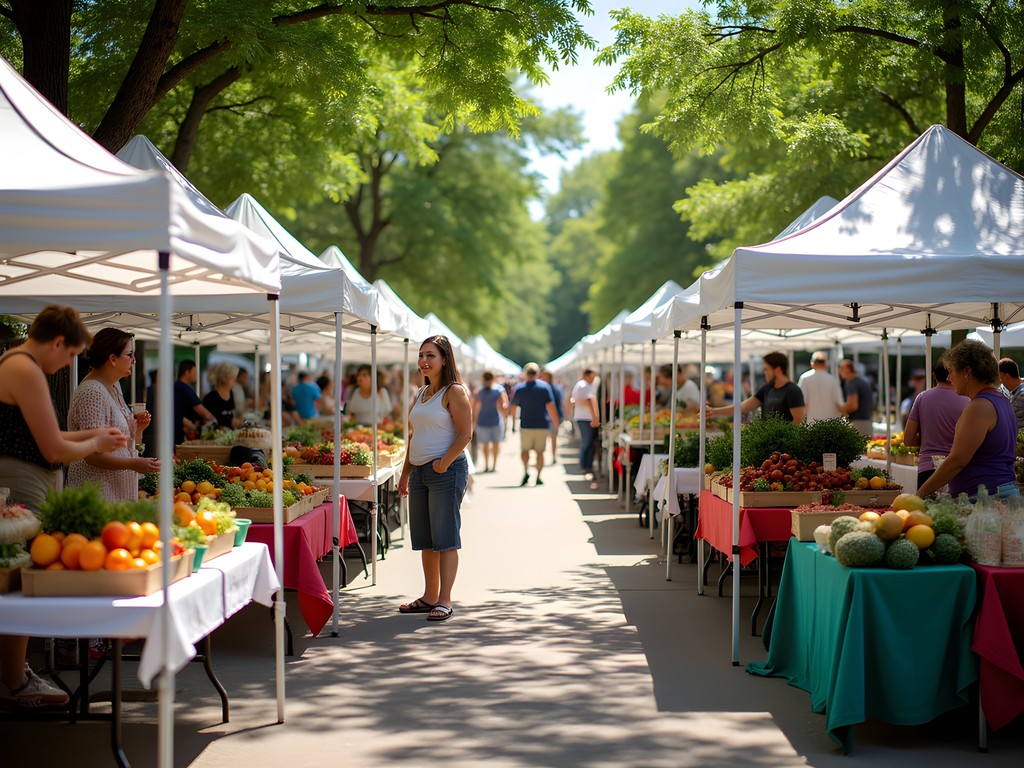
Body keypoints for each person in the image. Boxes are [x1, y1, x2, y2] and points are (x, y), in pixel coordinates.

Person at [0, 306, 127, 710]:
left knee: (18, 579)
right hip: (24, 480)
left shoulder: (15, 363)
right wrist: (95, 444)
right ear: (57, 342)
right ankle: (15, 681)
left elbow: (48, 434)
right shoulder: (24, 368)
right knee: (21, 582)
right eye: (70, 354)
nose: (70, 364)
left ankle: (14, 675)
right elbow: (53, 447)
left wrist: (93, 433)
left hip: (25, 476)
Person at [397, 336, 472, 623]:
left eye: (431, 355)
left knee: (445, 539)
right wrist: (405, 473)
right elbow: (414, 435)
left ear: (444, 360)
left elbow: (465, 434)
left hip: (446, 472)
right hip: (419, 473)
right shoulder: (421, 393)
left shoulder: (455, 392)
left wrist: (443, 462)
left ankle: (445, 600)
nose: (424, 360)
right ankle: (429, 596)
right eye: (421, 355)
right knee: (425, 539)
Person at [66, 328, 160, 502]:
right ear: (113, 359)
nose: (134, 360)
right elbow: (92, 455)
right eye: (130, 354)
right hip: (96, 495)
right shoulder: (92, 392)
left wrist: (138, 429)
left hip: (114, 494)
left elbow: (123, 445)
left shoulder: (113, 386)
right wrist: (133, 464)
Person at [918, 340, 1019, 500]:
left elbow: (957, 460)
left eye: (951, 371)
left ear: (966, 371)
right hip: (999, 494)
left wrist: (920, 493)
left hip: (986, 499)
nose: (949, 378)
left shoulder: (979, 406)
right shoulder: (1001, 400)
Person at [903, 362, 969, 486]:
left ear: (934, 375)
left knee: (925, 505)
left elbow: (908, 439)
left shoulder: (922, 398)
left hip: (928, 467)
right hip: (957, 467)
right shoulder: (968, 400)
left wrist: (929, 440)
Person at [706, 351, 806, 423]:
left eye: (766, 369)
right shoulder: (767, 389)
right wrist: (714, 411)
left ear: (778, 370)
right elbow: (742, 407)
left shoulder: (793, 390)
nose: (764, 373)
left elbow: (799, 421)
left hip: (783, 448)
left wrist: (783, 439)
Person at [508, 363, 559, 486]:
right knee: (540, 452)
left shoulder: (519, 388)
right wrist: (556, 423)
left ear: (525, 373)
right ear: (537, 374)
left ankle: (526, 470)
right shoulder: (545, 387)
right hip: (542, 424)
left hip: (526, 424)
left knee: (525, 450)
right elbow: (551, 406)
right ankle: (538, 476)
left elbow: (513, 409)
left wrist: (513, 424)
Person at [472, 370, 508, 473]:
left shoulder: (479, 391)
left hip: (484, 420)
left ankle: (488, 465)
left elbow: (474, 408)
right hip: (494, 420)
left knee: (486, 444)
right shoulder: (499, 390)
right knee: (494, 444)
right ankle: (493, 465)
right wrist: (505, 418)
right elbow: (503, 406)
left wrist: (474, 422)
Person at [173, 359, 215, 445]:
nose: (196, 375)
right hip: (180, 435)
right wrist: (215, 421)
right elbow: (202, 412)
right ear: (187, 372)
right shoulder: (184, 388)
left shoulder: (176, 386)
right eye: (195, 372)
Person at [571, 368, 601, 485]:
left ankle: (586, 465)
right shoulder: (584, 385)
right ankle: (585, 465)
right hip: (585, 418)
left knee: (588, 442)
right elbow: (588, 401)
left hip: (584, 417)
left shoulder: (582, 385)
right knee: (587, 442)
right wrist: (595, 417)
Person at [798, 352, 845, 423]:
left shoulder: (804, 378)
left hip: (811, 424)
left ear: (812, 363)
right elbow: (839, 404)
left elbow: (801, 402)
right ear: (826, 364)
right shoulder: (833, 380)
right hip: (830, 424)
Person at [839, 358, 874, 437]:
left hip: (857, 424)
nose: (839, 371)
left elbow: (852, 406)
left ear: (847, 369)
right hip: (867, 423)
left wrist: (839, 408)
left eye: (841, 368)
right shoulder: (864, 382)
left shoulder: (851, 383)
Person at [202, 363, 241, 429]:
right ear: (224, 379)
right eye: (232, 378)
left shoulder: (231, 392)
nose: (235, 381)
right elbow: (208, 421)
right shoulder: (211, 398)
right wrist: (230, 422)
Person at [540, 369, 564, 465]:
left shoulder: (551, 388)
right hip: (547, 416)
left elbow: (558, 403)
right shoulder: (555, 388)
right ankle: (548, 456)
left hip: (550, 416)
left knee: (552, 438)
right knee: (550, 438)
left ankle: (553, 456)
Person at [997, 357, 1024, 432]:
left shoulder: (1021, 396)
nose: (999, 381)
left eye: (999, 376)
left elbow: (1008, 419)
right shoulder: (1017, 392)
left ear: (1006, 376)